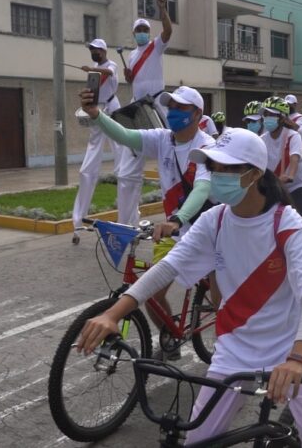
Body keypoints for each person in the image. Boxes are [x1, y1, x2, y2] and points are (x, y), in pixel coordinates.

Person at [75, 128, 302, 447]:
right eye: (213, 168)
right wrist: (113, 314)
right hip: (234, 350)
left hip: (290, 347)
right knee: (198, 441)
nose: (217, 176)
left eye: (227, 169)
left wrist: (299, 358)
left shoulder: (285, 222)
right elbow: (168, 267)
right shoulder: (214, 220)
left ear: (255, 174)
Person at [78, 85, 215, 360]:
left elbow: (202, 188)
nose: (173, 112)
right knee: (151, 291)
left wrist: (178, 218)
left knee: (222, 297)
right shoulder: (162, 138)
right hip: (172, 232)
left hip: (205, 232)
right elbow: (126, 136)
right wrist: (96, 114)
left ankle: (230, 353)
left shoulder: (207, 147)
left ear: (197, 113)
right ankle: (169, 338)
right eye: (170, 107)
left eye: (180, 108)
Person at [118, 0, 173, 227]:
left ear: (148, 32)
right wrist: (129, 77)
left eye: (144, 28)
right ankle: (128, 220)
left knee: (168, 155)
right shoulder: (131, 55)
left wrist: (163, 10)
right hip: (138, 108)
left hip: (157, 105)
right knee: (130, 166)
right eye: (138, 29)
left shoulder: (155, 46)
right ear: (133, 33)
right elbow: (134, 80)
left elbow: (168, 32)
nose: (141, 31)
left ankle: (175, 210)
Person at [71, 38, 124, 244]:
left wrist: (91, 70)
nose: (93, 52)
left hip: (112, 109)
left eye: (95, 49)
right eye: (91, 50)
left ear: (103, 50)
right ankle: (77, 219)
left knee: (121, 156)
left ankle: (126, 218)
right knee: (88, 166)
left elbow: (110, 73)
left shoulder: (111, 65)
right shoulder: (94, 70)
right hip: (97, 111)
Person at [260, 96, 302, 218]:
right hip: (277, 187)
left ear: (282, 118)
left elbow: (294, 157)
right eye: (265, 114)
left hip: (299, 185)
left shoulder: (293, 136)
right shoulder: (262, 139)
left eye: (272, 114)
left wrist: (290, 175)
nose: (267, 117)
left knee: (295, 220)